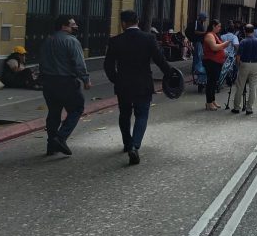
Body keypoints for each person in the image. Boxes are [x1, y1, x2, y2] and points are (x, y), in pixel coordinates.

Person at [104, 10, 172, 166]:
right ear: (138, 21)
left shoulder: (115, 41)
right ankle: (135, 145)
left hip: (123, 85)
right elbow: (160, 60)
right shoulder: (149, 38)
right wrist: (170, 75)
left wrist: (116, 79)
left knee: (124, 115)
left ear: (123, 23)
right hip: (143, 84)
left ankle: (127, 143)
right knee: (142, 115)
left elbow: (108, 65)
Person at [39, 14, 91, 156]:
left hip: (49, 82)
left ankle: (51, 145)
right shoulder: (71, 41)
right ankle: (60, 138)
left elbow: (41, 62)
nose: (75, 26)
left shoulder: (47, 40)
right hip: (67, 82)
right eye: (72, 24)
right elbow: (79, 63)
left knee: (54, 113)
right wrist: (86, 79)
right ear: (64, 26)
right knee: (76, 108)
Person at [231, 24, 257, 115]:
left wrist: (239, 65)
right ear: (253, 31)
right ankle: (249, 108)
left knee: (240, 86)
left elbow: (238, 56)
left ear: (245, 31)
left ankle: (236, 107)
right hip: (255, 64)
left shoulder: (243, 42)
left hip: (244, 64)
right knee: (253, 88)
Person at [202, 19, 231, 111]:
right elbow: (214, 47)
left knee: (214, 82)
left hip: (216, 62)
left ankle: (212, 100)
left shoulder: (215, 35)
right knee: (211, 82)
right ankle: (209, 102)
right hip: (211, 62)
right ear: (213, 26)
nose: (220, 28)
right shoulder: (209, 35)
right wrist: (224, 45)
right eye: (218, 26)